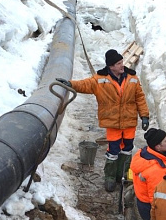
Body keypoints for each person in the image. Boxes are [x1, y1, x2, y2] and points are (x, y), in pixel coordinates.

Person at [57, 49, 150, 192]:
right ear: (111, 66)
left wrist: (144, 116)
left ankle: (123, 175)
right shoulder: (100, 80)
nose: (122, 65)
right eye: (118, 63)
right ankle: (110, 177)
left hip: (129, 122)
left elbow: (140, 98)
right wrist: (70, 84)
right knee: (113, 150)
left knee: (127, 149)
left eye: (122, 62)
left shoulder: (132, 78)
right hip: (112, 123)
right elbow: (84, 84)